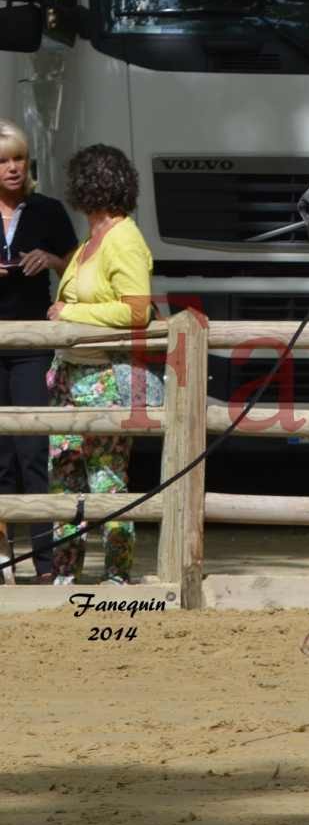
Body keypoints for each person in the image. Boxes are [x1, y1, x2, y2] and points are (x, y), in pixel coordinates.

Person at [43, 144, 162, 585]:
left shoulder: (124, 239)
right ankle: (64, 572)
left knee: (107, 482)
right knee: (64, 480)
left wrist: (70, 315)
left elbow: (137, 312)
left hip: (106, 379)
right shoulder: (89, 241)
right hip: (69, 376)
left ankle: (116, 573)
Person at [0, 119, 77, 579]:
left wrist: (49, 259)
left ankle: (45, 562)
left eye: (19, 159)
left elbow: (76, 259)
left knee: (33, 450)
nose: (12, 168)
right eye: (3, 161)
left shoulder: (47, 210)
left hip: (31, 344)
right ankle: (5, 559)